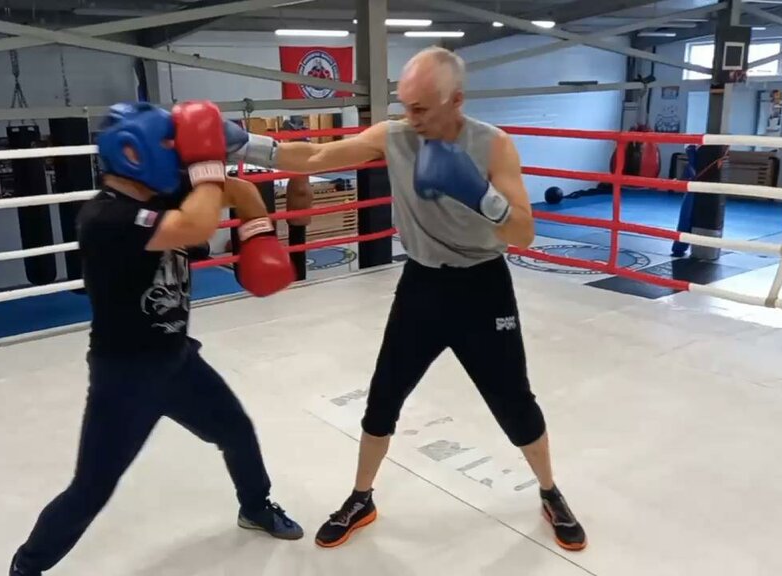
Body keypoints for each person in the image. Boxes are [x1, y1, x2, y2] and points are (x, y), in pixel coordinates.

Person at [222, 46, 587, 552]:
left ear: (455, 100)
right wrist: (246, 146)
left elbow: (524, 232)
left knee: (514, 402)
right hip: (422, 285)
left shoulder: (493, 145)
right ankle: (361, 497)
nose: (410, 118)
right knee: (383, 396)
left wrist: (480, 196)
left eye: (421, 108)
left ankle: (550, 492)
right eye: (404, 106)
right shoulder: (395, 136)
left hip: (483, 287)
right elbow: (317, 157)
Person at [9, 100, 301, 576]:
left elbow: (241, 190)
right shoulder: (105, 218)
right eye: (170, 147)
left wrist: (259, 234)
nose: (177, 157)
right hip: (125, 376)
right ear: (135, 152)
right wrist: (207, 161)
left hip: (178, 361)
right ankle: (27, 566)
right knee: (92, 487)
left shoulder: (160, 193)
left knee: (237, 431)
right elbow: (197, 223)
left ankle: (255, 506)